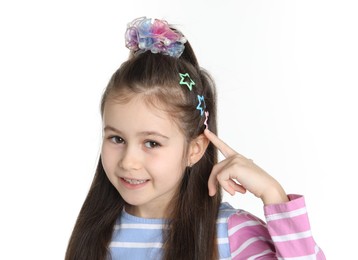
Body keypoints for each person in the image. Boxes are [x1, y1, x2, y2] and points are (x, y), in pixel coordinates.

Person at [65, 17, 326, 260]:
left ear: (195, 149)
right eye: (117, 139)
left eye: (152, 143)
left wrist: (273, 194)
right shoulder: (96, 235)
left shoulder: (229, 235)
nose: (129, 161)